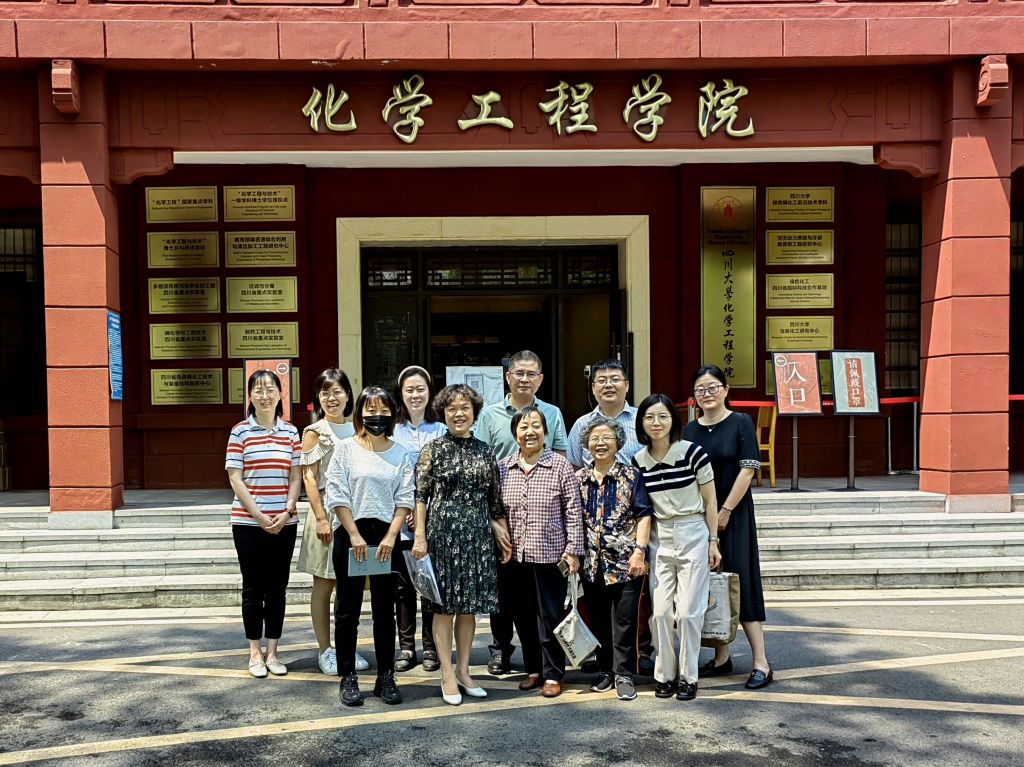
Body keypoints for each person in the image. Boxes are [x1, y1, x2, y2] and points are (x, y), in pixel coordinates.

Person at [411, 384, 512, 705]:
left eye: (465, 408)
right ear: (442, 413)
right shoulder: (433, 449)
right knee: (443, 608)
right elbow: (420, 496)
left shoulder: (484, 450)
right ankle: (446, 673)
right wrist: (420, 536)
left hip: (477, 538)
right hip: (442, 536)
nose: (458, 414)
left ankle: (464, 671)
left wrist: (502, 534)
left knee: (468, 608)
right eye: (452, 408)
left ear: (474, 413)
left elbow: (494, 499)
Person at [475, 350, 570, 674]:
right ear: (508, 377)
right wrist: (492, 518)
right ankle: (500, 648)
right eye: (519, 373)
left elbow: (560, 460)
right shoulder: (489, 416)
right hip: (503, 518)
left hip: (543, 524)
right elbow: (483, 466)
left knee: (544, 604)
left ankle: (546, 665)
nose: (525, 379)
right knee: (503, 595)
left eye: (532, 374)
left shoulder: (552, 413)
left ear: (540, 379)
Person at [683, 365, 773, 690]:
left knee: (741, 580)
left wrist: (725, 511)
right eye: (700, 390)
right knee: (710, 584)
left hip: (733, 515)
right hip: (699, 516)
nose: (707, 394)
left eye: (712, 388)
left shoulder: (740, 422)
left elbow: (748, 470)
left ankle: (761, 662)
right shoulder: (689, 431)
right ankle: (722, 658)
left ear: (725, 389)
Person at [325, 386, 414, 707]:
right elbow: (336, 493)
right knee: (347, 610)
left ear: (393, 414)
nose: (377, 416)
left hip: (387, 538)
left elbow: (405, 497)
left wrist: (391, 536)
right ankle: (348, 676)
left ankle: (385, 676)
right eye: (370, 410)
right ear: (360, 414)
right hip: (351, 535)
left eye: (384, 411)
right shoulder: (346, 449)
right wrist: (353, 533)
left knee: (384, 611)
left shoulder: (400, 453)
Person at [633, 393, 721, 702]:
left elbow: (711, 501)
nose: (656, 423)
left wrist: (713, 540)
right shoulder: (638, 461)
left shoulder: (693, 453)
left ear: (673, 420)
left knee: (687, 613)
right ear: (641, 423)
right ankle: (665, 675)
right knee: (659, 613)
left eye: (663, 416)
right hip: (659, 536)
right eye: (649, 417)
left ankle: (688, 676)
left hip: (693, 530)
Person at [498, 405, 584, 698]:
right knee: (522, 616)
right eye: (523, 427)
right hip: (515, 557)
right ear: (515, 434)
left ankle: (553, 673)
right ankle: (534, 669)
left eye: (535, 426)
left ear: (545, 433)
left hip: (550, 555)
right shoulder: (504, 467)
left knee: (550, 617)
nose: (529, 431)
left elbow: (573, 510)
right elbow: (496, 509)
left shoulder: (559, 466)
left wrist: (573, 551)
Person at [225, 370, 302, 679]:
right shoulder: (239, 432)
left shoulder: (291, 432)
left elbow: (295, 476)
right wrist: (257, 515)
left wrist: (287, 510)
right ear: (250, 396)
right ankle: (254, 652)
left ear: (280, 394)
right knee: (253, 587)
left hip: (284, 522)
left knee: (277, 588)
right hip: (247, 523)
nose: (265, 395)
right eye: (258, 389)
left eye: (270, 389)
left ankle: (273, 652)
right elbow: (235, 478)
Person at [296, 369, 369, 676]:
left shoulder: (358, 428)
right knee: (324, 584)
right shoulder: (315, 431)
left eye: (337, 391)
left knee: (349, 586)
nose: (332, 398)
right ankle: (325, 649)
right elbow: (309, 478)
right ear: (318, 397)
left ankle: (345, 645)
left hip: (353, 512)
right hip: (325, 512)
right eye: (325, 392)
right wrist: (321, 518)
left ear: (348, 395)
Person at [576, 416, 653, 702]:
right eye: (594, 438)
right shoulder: (579, 479)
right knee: (598, 620)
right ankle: (606, 670)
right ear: (587, 444)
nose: (600, 443)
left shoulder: (631, 476)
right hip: (591, 563)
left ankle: (624, 674)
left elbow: (644, 514)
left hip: (626, 563)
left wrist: (639, 552)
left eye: (606, 437)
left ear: (618, 443)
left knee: (625, 621)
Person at [391, 366, 446, 673]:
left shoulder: (440, 430)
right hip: (399, 521)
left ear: (429, 392)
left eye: (420, 389)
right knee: (402, 587)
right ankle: (406, 647)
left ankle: (430, 647)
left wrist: (423, 511)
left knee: (429, 584)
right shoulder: (392, 430)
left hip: (433, 520)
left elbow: (442, 477)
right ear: (401, 393)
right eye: (409, 390)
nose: (415, 395)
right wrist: (408, 510)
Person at [567, 359, 642, 469]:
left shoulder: (642, 419)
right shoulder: (581, 424)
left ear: (626, 385)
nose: (608, 385)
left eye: (615, 380)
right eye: (602, 381)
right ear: (593, 388)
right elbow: (573, 465)